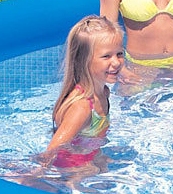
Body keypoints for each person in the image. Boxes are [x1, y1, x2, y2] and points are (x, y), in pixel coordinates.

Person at [39, 16, 124, 176]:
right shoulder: (82, 107)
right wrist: (35, 175)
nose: (116, 62)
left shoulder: (104, 92)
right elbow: (52, 150)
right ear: (84, 61)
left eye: (119, 53)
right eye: (106, 56)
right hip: (72, 166)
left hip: (90, 156)